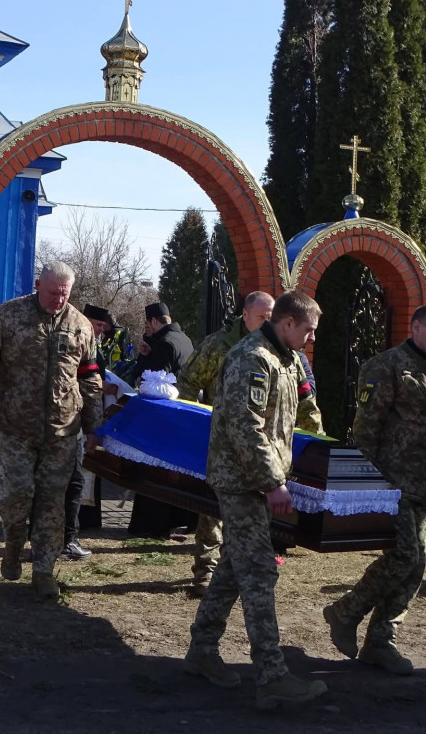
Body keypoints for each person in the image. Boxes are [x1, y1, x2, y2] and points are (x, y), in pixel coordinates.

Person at [185, 290, 328, 711]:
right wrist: (272, 482)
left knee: (234, 567)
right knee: (260, 572)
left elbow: (286, 420)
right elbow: (246, 427)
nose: (311, 338)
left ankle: (202, 650)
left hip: (253, 480)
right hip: (242, 482)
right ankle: (272, 675)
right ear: (287, 323)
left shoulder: (284, 359)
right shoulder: (255, 359)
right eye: (308, 330)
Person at [323, 304, 426, 676]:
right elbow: (366, 429)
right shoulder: (386, 366)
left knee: (416, 566)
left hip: (425, 483)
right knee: (404, 556)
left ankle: (380, 641)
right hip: (392, 482)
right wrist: (367, 483)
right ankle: (346, 611)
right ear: (416, 327)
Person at [0, 261, 102, 600]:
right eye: (53, 293)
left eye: (64, 294)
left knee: (52, 502)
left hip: (62, 433)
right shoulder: (7, 316)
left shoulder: (80, 325)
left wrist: (94, 427)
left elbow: (91, 377)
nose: (58, 300)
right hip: (16, 429)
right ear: (38, 285)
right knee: (16, 497)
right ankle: (13, 542)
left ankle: (44, 571)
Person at [177, 291, 275, 595]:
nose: (267, 323)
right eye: (262, 317)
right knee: (212, 511)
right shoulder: (218, 345)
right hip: (221, 442)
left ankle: (240, 571)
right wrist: (193, 422)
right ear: (245, 315)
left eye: (272, 318)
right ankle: (205, 572)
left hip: (259, 443)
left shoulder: (277, 348)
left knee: (254, 512)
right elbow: (188, 381)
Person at [127, 302, 196, 539]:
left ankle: (151, 526)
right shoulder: (184, 340)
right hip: (183, 416)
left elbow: (153, 384)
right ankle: (179, 520)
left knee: (156, 474)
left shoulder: (164, 345)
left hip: (163, 420)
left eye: (148, 325)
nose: (147, 329)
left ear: (154, 322)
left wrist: (142, 365)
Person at [57, 302, 115, 559]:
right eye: (98, 325)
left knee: (77, 481)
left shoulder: (92, 342)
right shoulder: (72, 336)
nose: (101, 330)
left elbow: (93, 378)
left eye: (104, 327)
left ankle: (70, 535)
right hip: (68, 420)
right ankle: (60, 536)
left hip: (83, 419)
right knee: (68, 482)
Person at [131, 302, 193, 383]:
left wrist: (140, 381)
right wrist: (149, 354)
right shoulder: (186, 339)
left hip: (171, 394)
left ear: (153, 321)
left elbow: (156, 382)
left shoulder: (164, 344)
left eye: (148, 323)